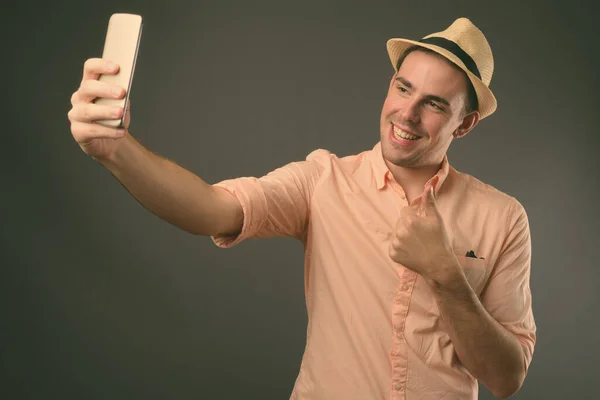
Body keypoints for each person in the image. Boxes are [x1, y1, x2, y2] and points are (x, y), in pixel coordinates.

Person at [68, 17, 535, 400]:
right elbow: (212, 209)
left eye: (433, 103)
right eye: (402, 88)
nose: (407, 114)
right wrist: (115, 150)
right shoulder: (324, 180)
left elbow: (506, 377)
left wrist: (447, 276)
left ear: (466, 123)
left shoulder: (503, 217)